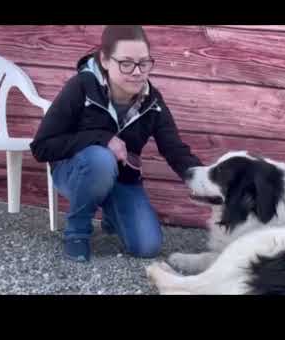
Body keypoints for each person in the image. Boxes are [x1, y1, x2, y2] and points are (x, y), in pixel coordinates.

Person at [30, 25, 203, 262]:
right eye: (126, 63)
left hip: (121, 178)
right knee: (100, 158)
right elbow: (42, 146)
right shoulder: (81, 87)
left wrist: (202, 178)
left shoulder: (152, 101)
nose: (136, 72)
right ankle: (77, 232)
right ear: (105, 60)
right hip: (75, 171)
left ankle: (111, 211)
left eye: (144, 63)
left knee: (147, 246)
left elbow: (173, 148)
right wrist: (103, 139)